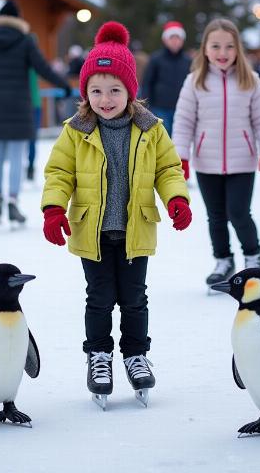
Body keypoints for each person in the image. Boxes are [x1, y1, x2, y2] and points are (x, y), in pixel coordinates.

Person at [41, 21, 191, 403]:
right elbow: (60, 172)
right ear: (85, 92)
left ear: (130, 91)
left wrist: (176, 199)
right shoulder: (76, 130)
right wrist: (54, 209)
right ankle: (99, 356)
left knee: (135, 298)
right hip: (91, 230)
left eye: (114, 90)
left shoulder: (151, 129)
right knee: (99, 297)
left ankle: (137, 355)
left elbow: (168, 169)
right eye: (96, 90)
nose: (105, 98)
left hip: (135, 228)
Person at [172, 18, 260, 286]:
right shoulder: (194, 82)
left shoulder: (250, 80)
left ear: (238, 49)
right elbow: (184, 122)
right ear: (205, 49)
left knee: (239, 212)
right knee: (216, 216)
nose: (222, 53)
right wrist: (181, 157)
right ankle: (223, 259)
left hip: (242, 161)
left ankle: (253, 257)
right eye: (216, 46)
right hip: (206, 162)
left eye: (229, 46)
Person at [0, 0, 70, 225]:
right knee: (16, 156)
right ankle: (13, 201)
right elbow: (42, 67)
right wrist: (62, 84)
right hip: (19, 105)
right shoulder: (24, 40)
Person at [141, 21, 191, 136]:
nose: (175, 41)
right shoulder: (156, 59)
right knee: (163, 137)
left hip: (181, 108)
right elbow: (148, 83)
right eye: (172, 38)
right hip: (159, 107)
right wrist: (146, 105)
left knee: (178, 138)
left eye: (177, 38)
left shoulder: (188, 61)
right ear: (165, 40)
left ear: (182, 40)